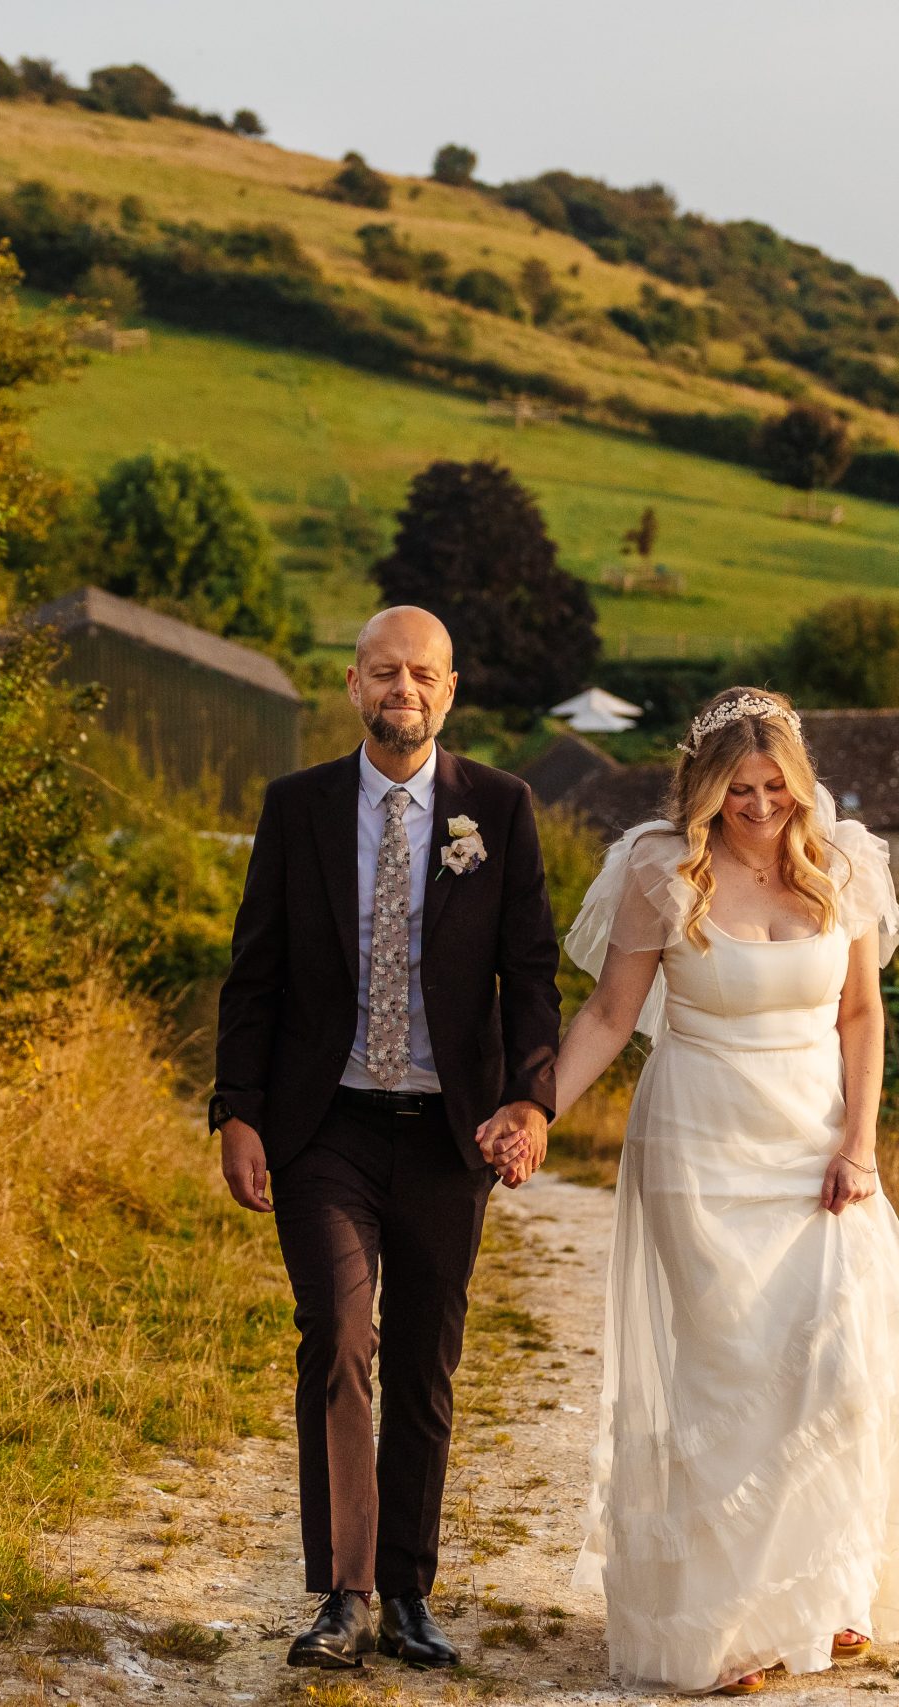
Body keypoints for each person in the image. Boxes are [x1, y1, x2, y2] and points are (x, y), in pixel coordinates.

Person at [489, 686, 899, 1694]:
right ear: (702, 788)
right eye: (736, 789)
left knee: (835, 1367)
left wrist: (861, 1142)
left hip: (815, 1150)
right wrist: (537, 1110)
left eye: (773, 787)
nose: (757, 806)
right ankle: (730, 1628)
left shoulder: (842, 864)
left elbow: (859, 1017)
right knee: (725, 1377)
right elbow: (610, 1014)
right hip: (698, 1143)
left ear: (799, 784)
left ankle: (829, 1590)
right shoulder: (658, 871)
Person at [211, 606, 563, 1672]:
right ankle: (343, 1594)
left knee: (423, 1363)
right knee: (338, 1340)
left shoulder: (499, 809)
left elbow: (534, 977)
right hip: (326, 1126)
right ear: (352, 685)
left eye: (422, 674)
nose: (401, 689)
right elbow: (255, 973)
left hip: (449, 1135)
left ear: (448, 692)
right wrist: (236, 1110)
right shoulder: (298, 808)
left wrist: (531, 1103)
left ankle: (409, 1592)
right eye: (382, 672)